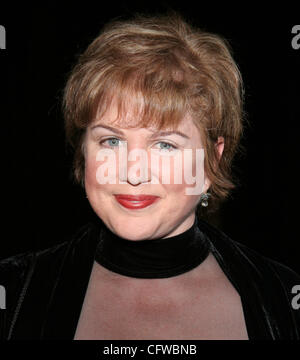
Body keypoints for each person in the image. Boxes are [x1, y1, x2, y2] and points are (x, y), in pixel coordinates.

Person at [1, 13, 300, 340]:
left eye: (165, 145)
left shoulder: (282, 300)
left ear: (211, 161)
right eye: (111, 141)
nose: (133, 172)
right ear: (83, 150)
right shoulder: (14, 291)